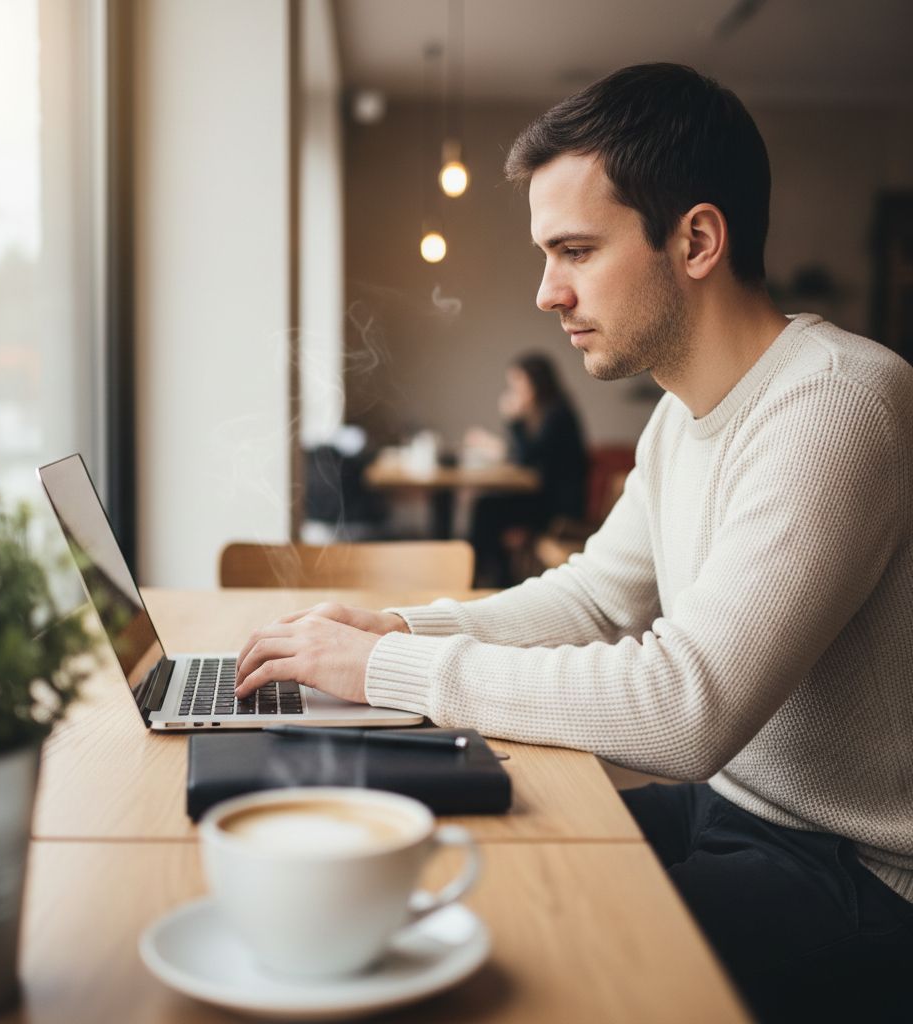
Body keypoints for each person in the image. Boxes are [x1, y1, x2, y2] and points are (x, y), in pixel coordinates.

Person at [235, 63, 913, 1022]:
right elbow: (594, 600)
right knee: (462, 871)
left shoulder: (838, 401)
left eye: (576, 251)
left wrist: (387, 669)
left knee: (514, 966)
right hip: (731, 813)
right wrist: (396, 628)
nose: (548, 292)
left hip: (859, 875)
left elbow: (687, 707)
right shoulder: (683, 418)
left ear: (698, 240)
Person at [465, 352, 588, 586]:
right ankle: (495, 577)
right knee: (488, 506)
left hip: (559, 508)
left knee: (486, 509)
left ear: (536, 383)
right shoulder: (553, 411)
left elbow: (525, 458)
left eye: (518, 383)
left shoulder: (557, 415)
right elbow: (528, 456)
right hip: (548, 499)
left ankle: (489, 579)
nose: (515, 390)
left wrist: (514, 420)